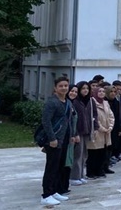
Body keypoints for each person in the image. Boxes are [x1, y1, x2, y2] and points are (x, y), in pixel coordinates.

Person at [40, 77, 72, 206]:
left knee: (59, 167)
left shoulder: (66, 101)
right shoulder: (52, 102)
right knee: (51, 167)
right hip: (53, 140)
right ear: (55, 88)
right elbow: (46, 121)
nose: (64, 88)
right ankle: (46, 194)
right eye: (61, 86)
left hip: (63, 139)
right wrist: (52, 139)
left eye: (66, 85)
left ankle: (54, 191)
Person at [70, 81, 95, 186]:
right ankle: (74, 177)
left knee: (84, 154)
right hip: (78, 131)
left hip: (87, 131)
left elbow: (94, 115)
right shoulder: (75, 101)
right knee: (77, 154)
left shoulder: (89, 101)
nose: (85, 90)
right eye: (83, 88)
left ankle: (81, 175)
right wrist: (75, 133)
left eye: (87, 88)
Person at [87, 85, 114, 178]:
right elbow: (94, 118)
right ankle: (91, 172)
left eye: (103, 91)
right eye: (99, 91)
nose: (101, 93)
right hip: (97, 131)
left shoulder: (106, 103)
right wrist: (102, 128)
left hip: (106, 132)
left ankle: (100, 170)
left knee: (103, 153)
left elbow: (111, 116)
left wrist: (110, 127)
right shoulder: (91, 102)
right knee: (93, 153)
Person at [59, 85, 79, 195]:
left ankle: (64, 186)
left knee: (68, 162)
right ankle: (60, 187)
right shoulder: (65, 104)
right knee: (63, 163)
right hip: (64, 138)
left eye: (76, 92)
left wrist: (75, 134)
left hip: (71, 138)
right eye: (72, 91)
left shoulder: (71, 104)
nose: (74, 93)